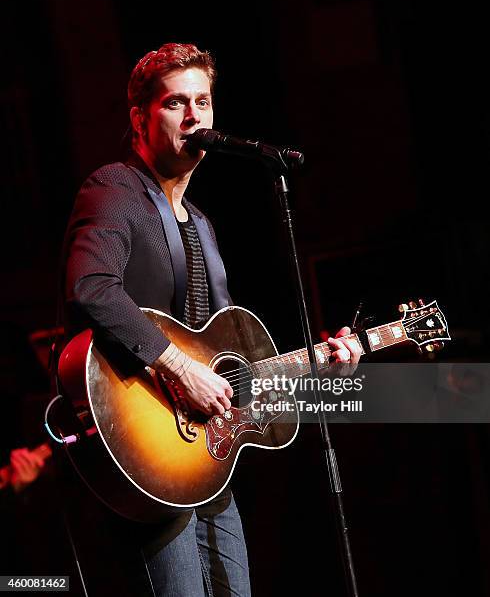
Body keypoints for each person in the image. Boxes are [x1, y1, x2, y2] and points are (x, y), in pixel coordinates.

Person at [61, 42, 361, 596]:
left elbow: (226, 365)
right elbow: (90, 288)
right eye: (177, 103)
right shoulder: (115, 189)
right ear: (140, 118)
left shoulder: (201, 223)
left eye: (203, 101)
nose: (194, 115)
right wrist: (178, 367)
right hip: (146, 453)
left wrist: (319, 365)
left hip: (205, 461)